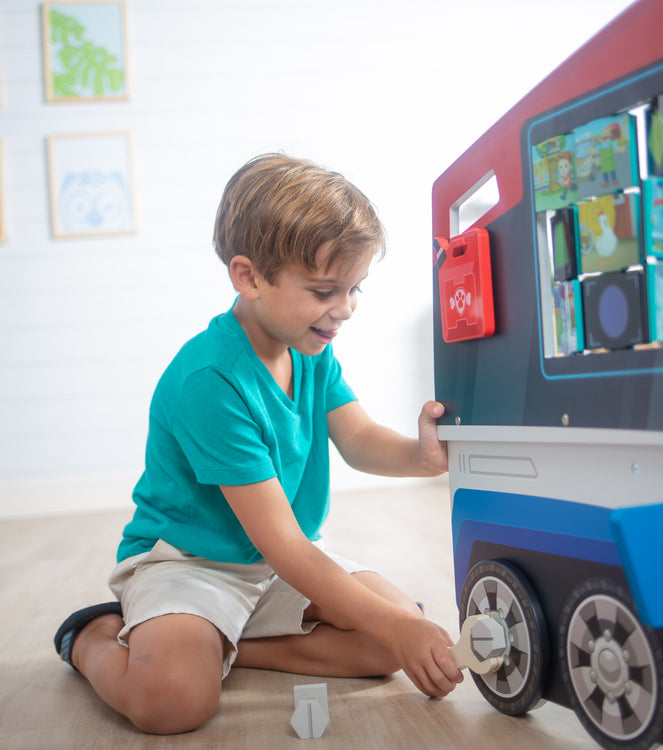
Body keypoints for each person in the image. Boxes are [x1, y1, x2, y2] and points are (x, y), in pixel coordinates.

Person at [54, 153, 463, 735]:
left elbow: (359, 438)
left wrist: (417, 457)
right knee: (172, 703)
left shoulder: (310, 346)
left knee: (394, 641)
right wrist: (394, 627)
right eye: (325, 290)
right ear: (248, 277)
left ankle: (225, 644)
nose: (344, 309)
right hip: (191, 566)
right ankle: (94, 635)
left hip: (271, 567)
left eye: (355, 289)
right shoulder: (210, 381)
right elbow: (284, 546)